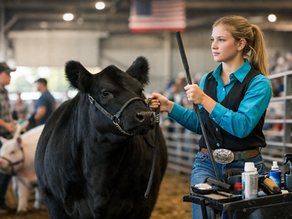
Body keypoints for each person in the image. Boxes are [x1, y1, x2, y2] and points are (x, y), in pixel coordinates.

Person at [150, 15, 272, 219]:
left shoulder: (259, 83)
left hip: (246, 166)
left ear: (241, 43)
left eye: (221, 40)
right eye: (212, 40)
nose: (214, 46)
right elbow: (202, 126)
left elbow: (242, 126)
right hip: (206, 162)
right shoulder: (208, 80)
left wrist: (205, 100)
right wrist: (170, 106)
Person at [0, 62, 17, 214]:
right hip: (1, 135)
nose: (10, 77)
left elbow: (8, 113)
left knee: (6, 169)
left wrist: (11, 124)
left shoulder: (4, 92)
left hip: (5, 136)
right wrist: (6, 125)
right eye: (7, 74)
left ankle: (1, 202)